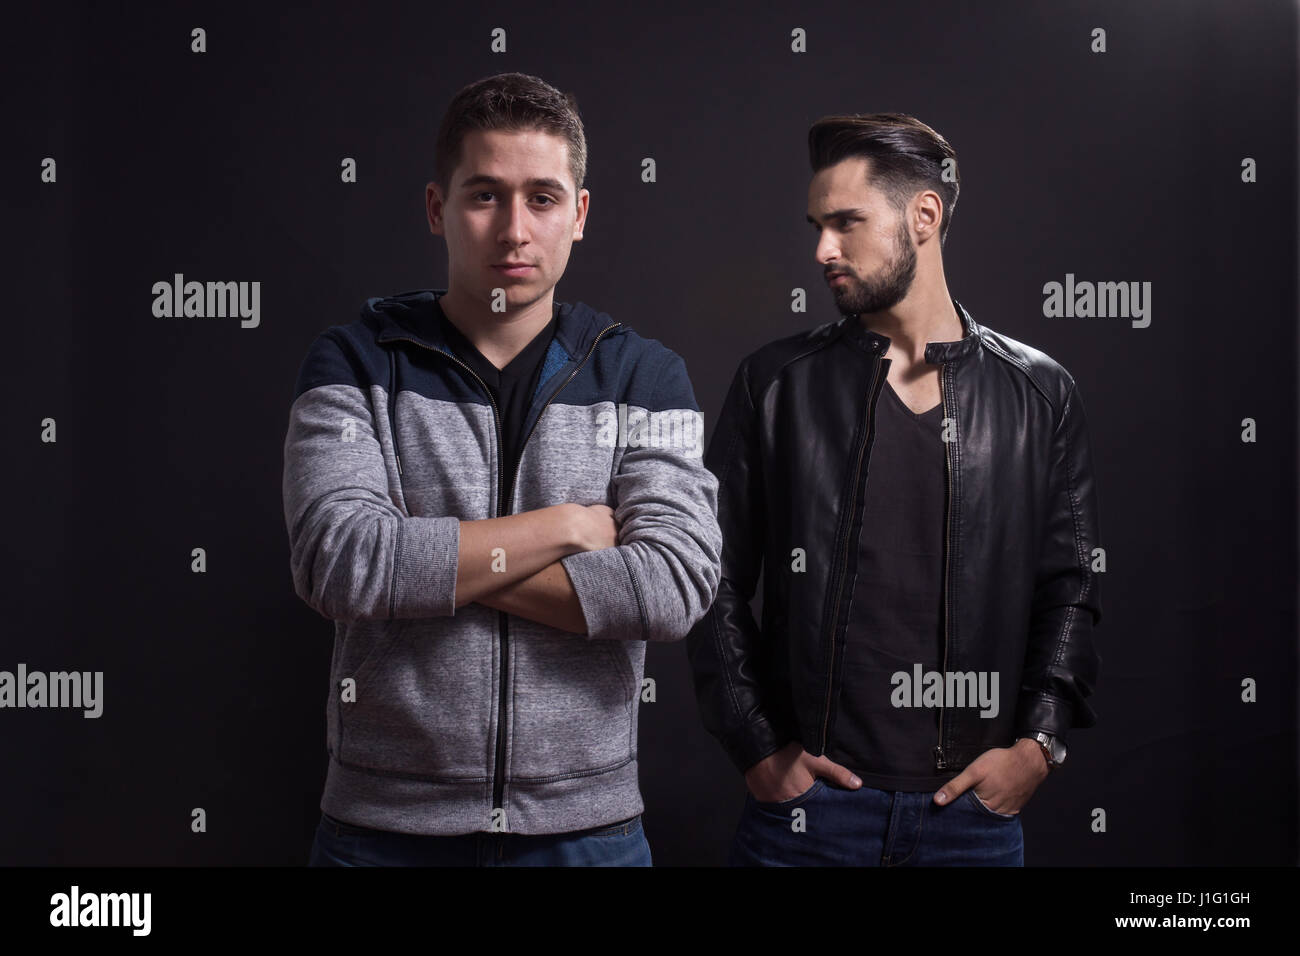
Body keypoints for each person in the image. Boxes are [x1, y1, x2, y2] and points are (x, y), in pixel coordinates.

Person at [283, 72, 721, 866]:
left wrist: (422, 561)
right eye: (484, 196)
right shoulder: (351, 363)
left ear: (580, 214)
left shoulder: (648, 378)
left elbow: (675, 583)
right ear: (435, 208)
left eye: (543, 199)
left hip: (588, 832)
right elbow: (340, 563)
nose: (514, 230)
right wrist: (565, 528)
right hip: (383, 831)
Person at [686, 112, 1103, 866]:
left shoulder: (1041, 394)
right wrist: (756, 746)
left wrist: (1039, 745)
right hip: (808, 821)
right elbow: (703, 573)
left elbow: (1070, 585)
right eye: (816, 225)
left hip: (972, 822)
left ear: (924, 215)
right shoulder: (775, 384)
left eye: (846, 222)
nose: (821, 249)